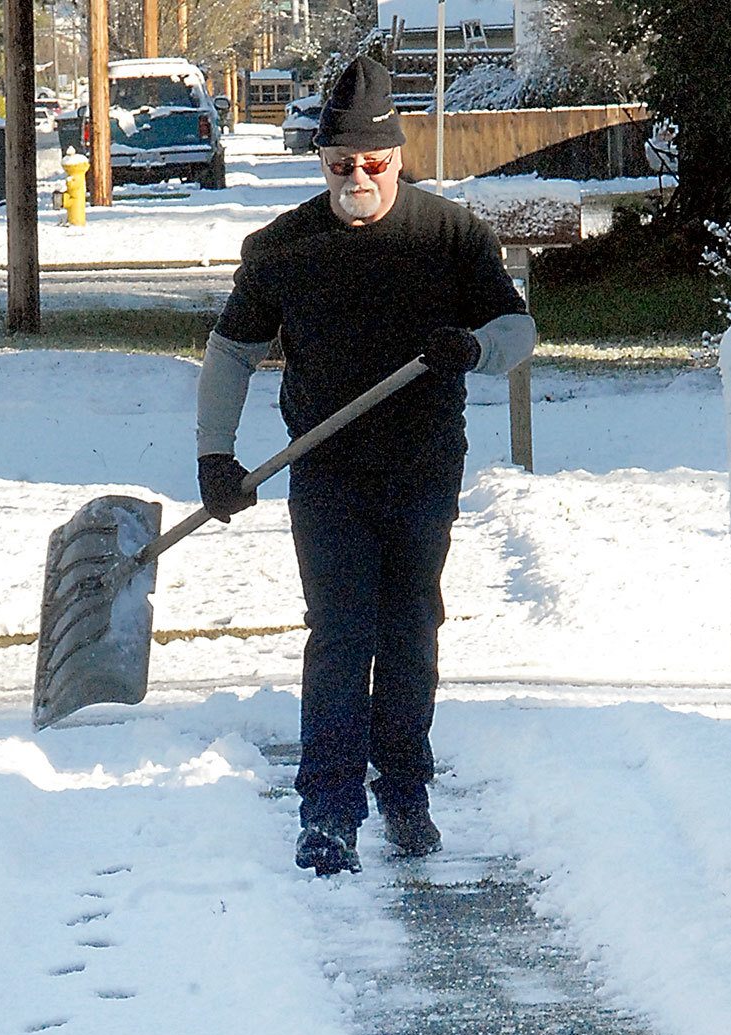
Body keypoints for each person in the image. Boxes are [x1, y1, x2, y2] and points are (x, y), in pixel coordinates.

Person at [195, 55, 535, 877]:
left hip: (423, 466)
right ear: (321, 163)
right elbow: (230, 353)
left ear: (398, 156)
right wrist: (215, 454)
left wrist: (475, 347)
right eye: (340, 165)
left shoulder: (448, 236)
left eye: (372, 164)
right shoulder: (283, 248)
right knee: (341, 635)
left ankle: (407, 796)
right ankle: (329, 812)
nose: (357, 179)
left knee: (411, 629)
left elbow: (519, 336)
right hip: (327, 471)